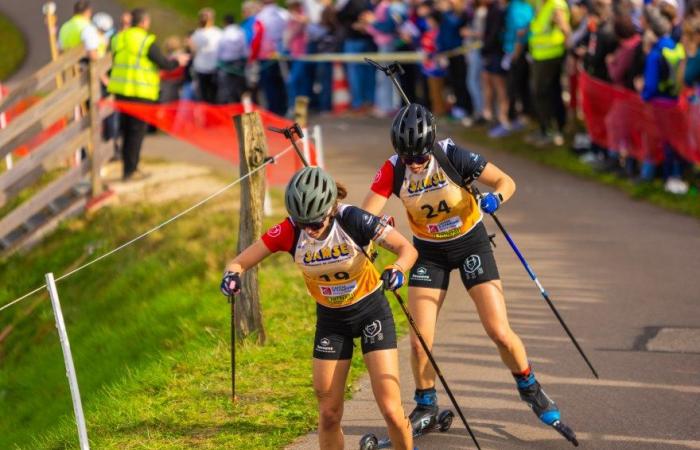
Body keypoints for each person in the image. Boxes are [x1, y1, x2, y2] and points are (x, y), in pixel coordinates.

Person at [361, 103, 569, 434]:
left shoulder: (451, 155)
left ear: (430, 146)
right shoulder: (393, 169)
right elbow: (366, 219)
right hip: (429, 251)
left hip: (470, 243)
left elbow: (506, 180)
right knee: (419, 339)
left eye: (419, 157)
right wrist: (368, 242)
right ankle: (426, 404)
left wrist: (495, 198)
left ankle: (530, 387)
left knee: (498, 330)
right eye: (406, 157)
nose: (413, 164)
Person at [220, 166, 417, 450]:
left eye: (316, 223)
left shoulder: (353, 219)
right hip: (332, 321)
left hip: (371, 312)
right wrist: (232, 277)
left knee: (390, 409)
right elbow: (238, 262)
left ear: (331, 209)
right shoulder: (289, 230)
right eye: (303, 224)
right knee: (328, 414)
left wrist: (397, 269)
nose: (310, 230)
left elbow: (407, 250)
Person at [108, 8, 190, 181]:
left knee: (125, 131)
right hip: (140, 93)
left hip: (121, 93)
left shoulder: (118, 38)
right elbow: (165, 64)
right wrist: (178, 61)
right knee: (136, 133)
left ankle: (127, 167)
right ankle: (130, 170)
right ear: (144, 22)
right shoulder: (146, 40)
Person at [191, 8, 223, 103]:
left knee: (204, 98)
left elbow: (193, 51)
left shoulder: (196, 34)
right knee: (214, 97)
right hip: (213, 68)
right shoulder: (219, 33)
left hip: (202, 69)